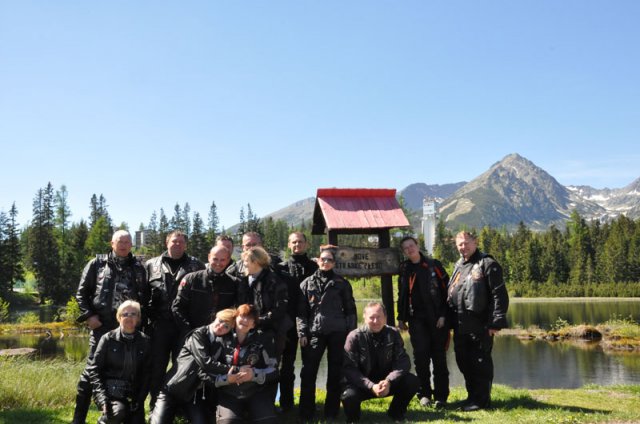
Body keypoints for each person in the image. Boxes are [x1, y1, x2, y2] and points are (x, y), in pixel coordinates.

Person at [72, 230, 147, 424]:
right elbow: (81, 293)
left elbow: (145, 298)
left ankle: (122, 411)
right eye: (120, 241)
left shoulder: (139, 268)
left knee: (130, 372)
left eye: (127, 242)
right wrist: (89, 316)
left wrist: (140, 323)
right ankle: (78, 420)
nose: (123, 245)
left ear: (131, 245)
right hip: (102, 327)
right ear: (112, 243)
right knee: (89, 375)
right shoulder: (96, 264)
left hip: (128, 328)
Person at [447, 231, 509, 411]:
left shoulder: (487, 263)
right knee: (464, 362)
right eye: (460, 244)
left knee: (480, 363)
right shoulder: (459, 265)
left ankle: (482, 401)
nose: (463, 247)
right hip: (460, 325)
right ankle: (472, 398)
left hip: (480, 325)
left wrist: (495, 322)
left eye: (466, 243)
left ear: (475, 242)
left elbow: (499, 294)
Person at [144, 230, 205, 409]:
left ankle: (178, 407)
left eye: (181, 242)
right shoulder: (151, 265)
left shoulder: (197, 265)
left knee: (182, 368)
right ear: (167, 242)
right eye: (174, 241)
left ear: (186, 245)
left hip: (185, 326)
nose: (177, 244)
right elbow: (142, 294)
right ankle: (156, 406)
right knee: (156, 368)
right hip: (159, 326)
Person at [297, 244, 356, 421]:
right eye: (323, 259)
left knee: (335, 373)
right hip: (314, 333)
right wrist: (302, 333)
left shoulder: (342, 284)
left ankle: (331, 412)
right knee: (308, 373)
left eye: (330, 260)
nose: (326, 262)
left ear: (334, 263)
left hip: (338, 333)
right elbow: (301, 312)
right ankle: (306, 412)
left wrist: (351, 334)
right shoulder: (306, 283)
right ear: (318, 260)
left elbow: (351, 311)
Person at [150, 308, 237, 424]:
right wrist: (233, 370)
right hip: (172, 390)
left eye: (226, 326)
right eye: (221, 321)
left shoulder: (221, 342)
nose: (221, 326)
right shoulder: (198, 334)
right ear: (215, 317)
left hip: (193, 395)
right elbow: (205, 362)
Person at [341, 302, 419, 423]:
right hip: (362, 385)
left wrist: (389, 381)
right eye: (371, 317)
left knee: (412, 381)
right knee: (348, 395)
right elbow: (349, 369)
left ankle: (396, 413)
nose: (376, 321)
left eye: (379, 317)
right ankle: (353, 419)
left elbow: (403, 362)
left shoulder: (393, 333)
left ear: (385, 318)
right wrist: (371, 386)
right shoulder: (354, 336)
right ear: (364, 318)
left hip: (386, 384)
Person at [396, 236, 450, 408]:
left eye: (411, 245)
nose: (409, 249)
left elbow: (447, 292)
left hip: (437, 320)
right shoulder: (404, 268)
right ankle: (424, 394)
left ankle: (441, 396)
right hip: (416, 320)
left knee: (439, 359)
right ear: (403, 251)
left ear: (418, 245)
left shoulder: (434, 265)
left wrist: (443, 315)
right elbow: (401, 294)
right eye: (405, 248)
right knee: (421, 359)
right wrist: (401, 317)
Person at [87, 300, 151, 424]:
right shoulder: (107, 339)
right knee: (118, 412)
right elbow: (94, 370)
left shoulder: (145, 341)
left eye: (133, 314)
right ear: (119, 317)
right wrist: (102, 399)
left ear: (138, 318)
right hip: (111, 394)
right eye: (125, 314)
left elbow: (147, 374)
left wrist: (140, 400)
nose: (129, 317)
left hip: (134, 396)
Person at [213, 304, 279, 424]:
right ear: (235, 318)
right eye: (242, 316)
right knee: (228, 422)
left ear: (253, 324)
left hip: (255, 392)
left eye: (249, 318)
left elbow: (274, 370)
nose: (245, 320)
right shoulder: (221, 338)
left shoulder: (263, 339)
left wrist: (254, 375)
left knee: (268, 421)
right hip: (229, 392)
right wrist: (227, 378)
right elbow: (209, 368)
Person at [277, 232, 318, 412]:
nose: (297, 245)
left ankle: (307, 406)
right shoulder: (280, 268)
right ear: (289, 244)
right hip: (287, 324)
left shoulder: (315, 267)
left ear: (306, 244)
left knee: (309, 366)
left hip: (310, 322)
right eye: (294, 242)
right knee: (286, 367)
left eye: (300, 242)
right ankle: (286, 404)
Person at [172, 245, 239, 341]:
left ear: (228, 260)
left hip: (222, 338)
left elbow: (237, 311)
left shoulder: (234, 283)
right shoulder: (192, 279)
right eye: (215, 259)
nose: (218, 263)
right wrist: (189, 331)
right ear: (209, 257)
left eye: (222, 260)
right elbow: (177, 307)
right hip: (191, 336)